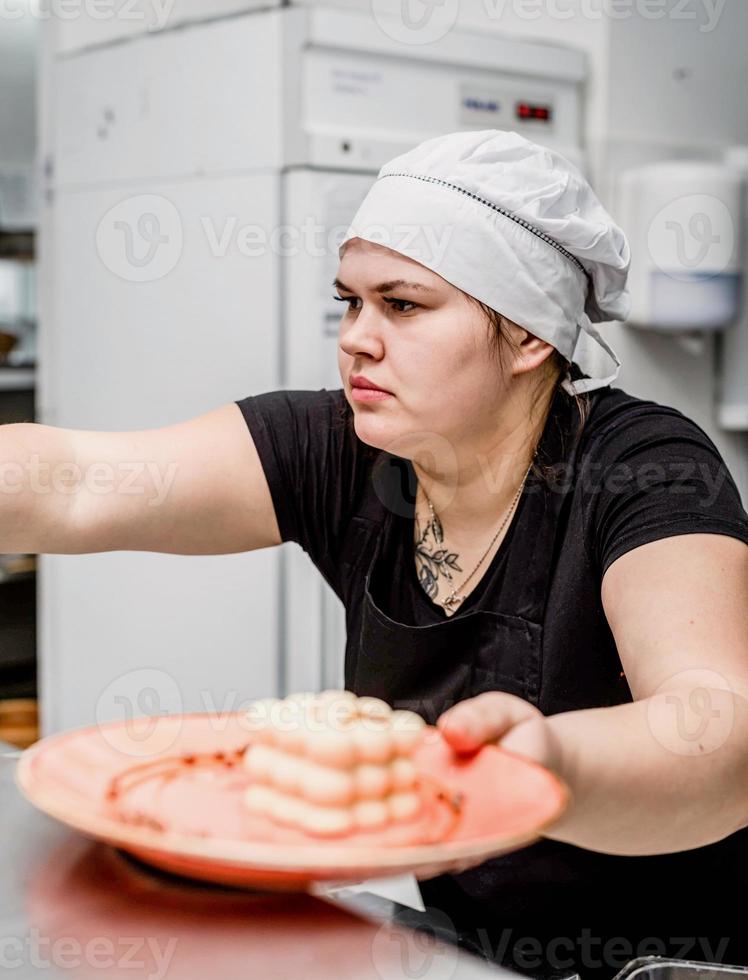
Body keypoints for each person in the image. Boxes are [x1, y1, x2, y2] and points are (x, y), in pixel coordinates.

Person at [4, 129, 748, 979]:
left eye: (403, 305)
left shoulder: (647, 466)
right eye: (350, 302)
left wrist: (550, 765)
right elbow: (74, 480)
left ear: (531, 335)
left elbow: (718, 730)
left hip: (671, 961)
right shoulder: (345, 448)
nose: (357, 337)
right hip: (477, 955)